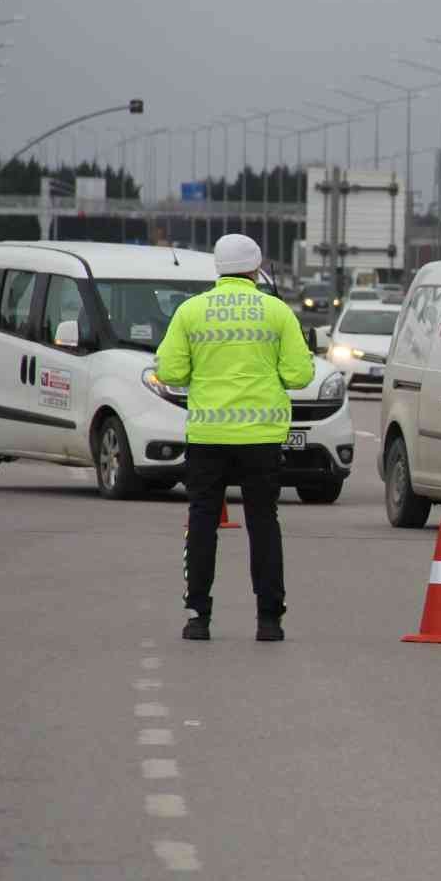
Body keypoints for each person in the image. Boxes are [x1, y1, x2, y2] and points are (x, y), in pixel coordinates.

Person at [155, 234, 315, 643]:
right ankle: (268, 619)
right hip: (261, 437)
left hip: (208, 435)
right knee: (263, 522)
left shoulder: (191, 311)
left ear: (217, 267)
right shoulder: (276, 311)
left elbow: (169, 372)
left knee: (203, 520)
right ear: (256, 266)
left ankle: (198, 616)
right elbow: (300, 375)